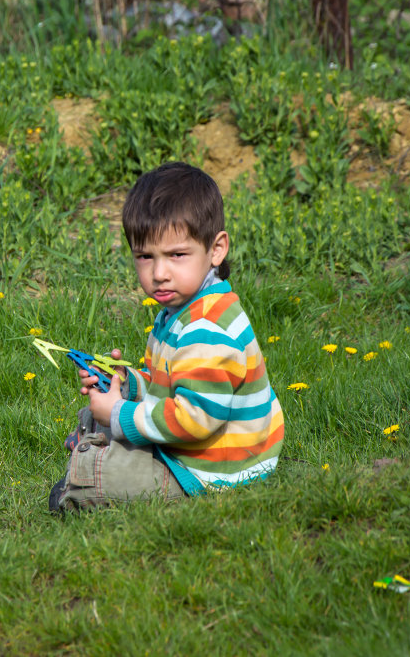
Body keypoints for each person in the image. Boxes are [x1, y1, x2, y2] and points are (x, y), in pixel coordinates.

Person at [49, 161, 284, 512]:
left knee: (105, 477)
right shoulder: (181, 310)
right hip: (200, 447)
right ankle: (96, 445)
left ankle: (87, 473)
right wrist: (125, 384)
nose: (159, 273)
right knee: (97, 411)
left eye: (176, 255)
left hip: (218, 468)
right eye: (145, 257)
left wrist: (118, 415)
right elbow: (168, 386)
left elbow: (194, 421)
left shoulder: (206, 330)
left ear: (216, 249)